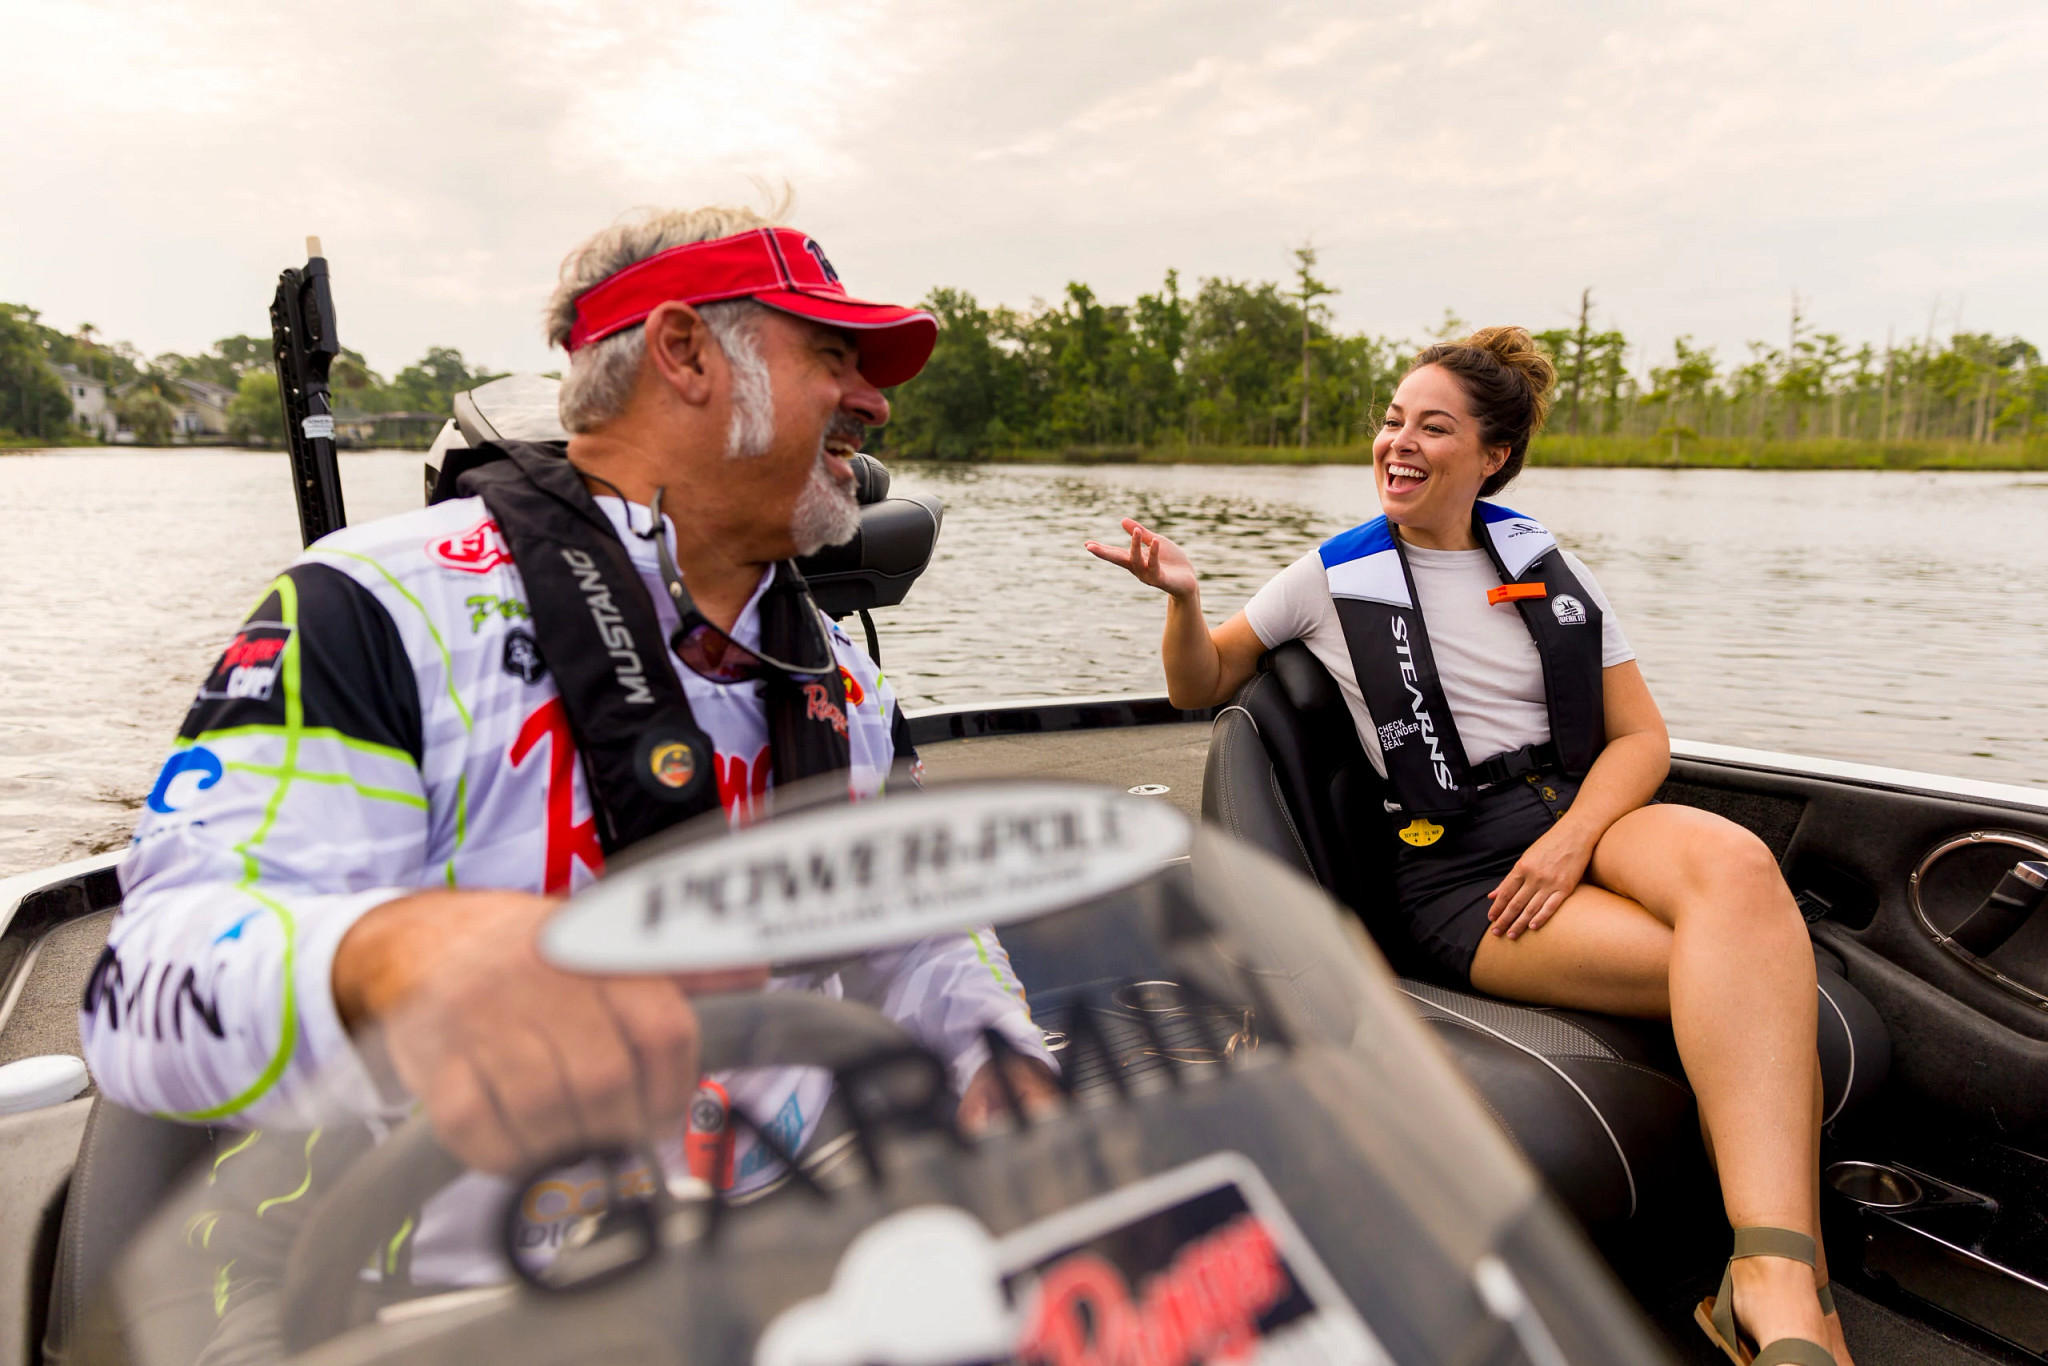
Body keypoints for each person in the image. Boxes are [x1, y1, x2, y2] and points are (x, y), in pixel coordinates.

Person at [83, 205, 1057, 1300]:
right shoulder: (373, 604)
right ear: (686, 352)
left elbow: (918, 931)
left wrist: (995, 1058)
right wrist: (390, 956)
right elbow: (140, 987)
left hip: (781, 1254)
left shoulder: (833, 666)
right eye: (835, 356)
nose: (875, 401)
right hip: (419, 1304)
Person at [1088, 328, 1849, 1366]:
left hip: (1577, 818)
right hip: (1461, 870)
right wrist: (1181, 597)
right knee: (1742, 963)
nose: (1397, 443)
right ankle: (1782, 1291)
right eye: (1391, 420)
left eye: (1431, 426)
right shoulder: (1329, 574)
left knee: (1738, 868)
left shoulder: (1540, 561)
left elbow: (1640, 737)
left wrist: (1574, 840)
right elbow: (1199, 684)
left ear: (1492, 455)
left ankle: (1765, 1270)